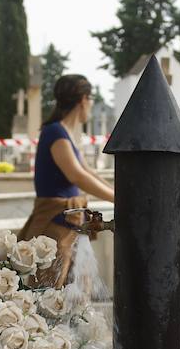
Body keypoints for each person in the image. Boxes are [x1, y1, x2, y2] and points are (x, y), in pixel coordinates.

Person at [18, 74, 115, 286]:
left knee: (74, 294)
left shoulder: (65, 133)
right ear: (83, 100)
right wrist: (119, 200)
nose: (90, 105)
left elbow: (90, 173)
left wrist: (120, 195)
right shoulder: (55, 133)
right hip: (55, 225)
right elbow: (77, 176)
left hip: (70, 223)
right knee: (49, 293)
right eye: (90, 100)